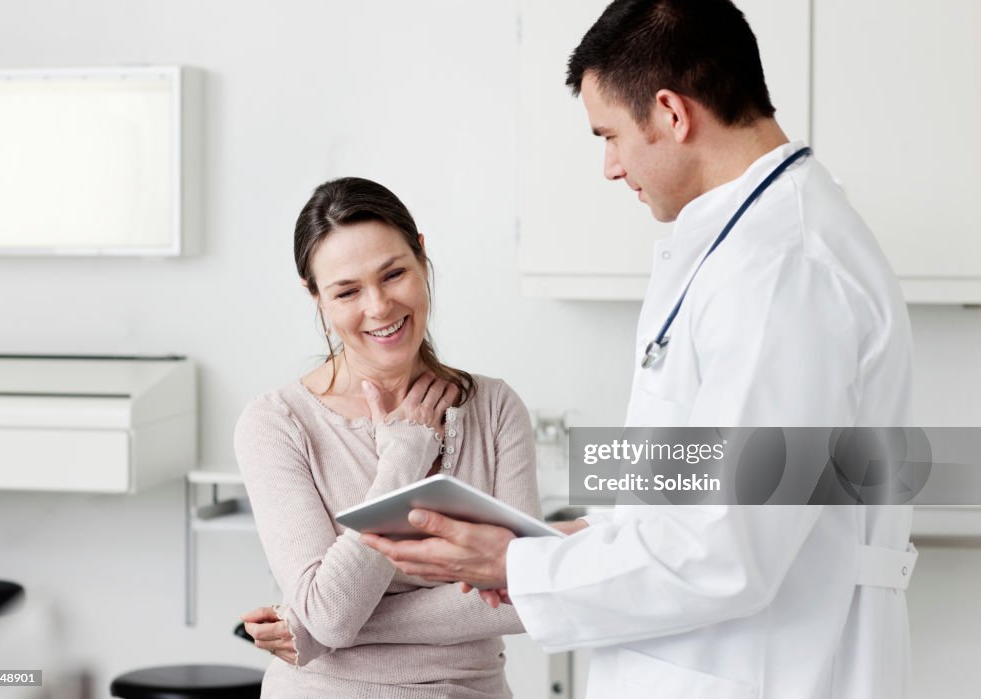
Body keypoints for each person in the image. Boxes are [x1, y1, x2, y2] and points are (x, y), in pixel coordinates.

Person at [362, 1, 917, 697]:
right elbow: (697, 497)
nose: (610, 166)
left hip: (771, 667)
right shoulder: (742, 247)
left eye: (612, 135)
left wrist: (518, 564)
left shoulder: (784, 269)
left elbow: (728, 549)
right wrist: (563, 547)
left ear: (671, 113)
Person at [234, 176, 543, 698]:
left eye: (393, 273)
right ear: (317, 298)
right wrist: (403, 459)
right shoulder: (277, 423)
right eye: (347, 291)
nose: (378, 308)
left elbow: (521, 597)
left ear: (422, 257)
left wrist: (312, 622)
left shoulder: (493, 409)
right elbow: (330, 617)